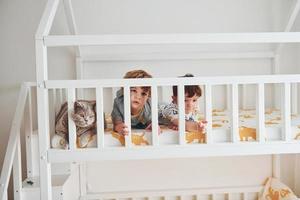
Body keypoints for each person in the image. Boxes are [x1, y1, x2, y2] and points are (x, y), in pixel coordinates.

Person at [111, 70, 153, 135]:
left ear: (148, 97)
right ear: (124, 91)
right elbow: (117, 123)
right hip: (126, 123)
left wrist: (153, 125)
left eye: (143, 93)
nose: (138, 97)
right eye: (133, 90)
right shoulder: (119, 103)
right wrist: (118, 127)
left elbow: (151, 121)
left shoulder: (149, 105)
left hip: (144, 123)